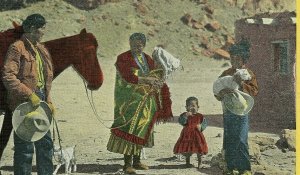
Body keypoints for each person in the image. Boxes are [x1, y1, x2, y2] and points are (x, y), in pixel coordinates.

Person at [107, 33, 173, 174]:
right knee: (130, 128)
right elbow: (126, 77)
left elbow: (154, 72)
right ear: (129, 43)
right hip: (129, 102)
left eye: (140, 45)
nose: (137, 47)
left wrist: (158, 79)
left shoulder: (147, 58)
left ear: (144, 45)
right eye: (134, 44)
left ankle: (137, 161)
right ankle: (127, 164)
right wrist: (146, 80)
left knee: (142, 128)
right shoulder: (123, 58)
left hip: (145, 100)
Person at [2, 13, 55, 175]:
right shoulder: (16, 48)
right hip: (23, 103)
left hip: (41, 101)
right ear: (32, 29)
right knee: (25, 148)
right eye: (42, 28)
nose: (44, 32)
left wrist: (49, 100)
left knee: (45, 145)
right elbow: (8, 76)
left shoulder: (41, 49)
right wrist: (28, 94)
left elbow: (45, 78)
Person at [214, 39, 258, 175]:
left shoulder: (248, 74)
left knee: (241, 139)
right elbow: (217, 90)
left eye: (238, 59)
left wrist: (242, 84)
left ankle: (245, 169)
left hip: (242, 112)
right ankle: (230, 167)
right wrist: (221, 93)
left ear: (244, 60)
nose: (234, 62)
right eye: (232, 59)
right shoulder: (226, 73)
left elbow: (254, 91)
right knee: (229, 139)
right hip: (228, 111)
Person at [173, 96, 208, 169]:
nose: (191, 107)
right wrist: (185, 116)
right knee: (187, 150)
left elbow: (205, 123)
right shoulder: (185, 115)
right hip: (187, 135)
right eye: (189, 106)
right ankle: (187, 162)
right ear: (186, 108)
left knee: (199, 149)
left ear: (198, 107)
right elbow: (181, 122)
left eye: (193, 106)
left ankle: (200, 163)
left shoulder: (200, 116)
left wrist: (201, 127)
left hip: (197, 135)